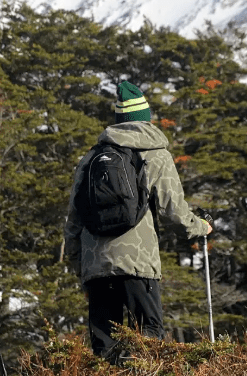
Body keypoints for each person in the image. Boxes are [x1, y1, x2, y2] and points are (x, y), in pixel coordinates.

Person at [65, 80, 211, 362]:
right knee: (148, 342)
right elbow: (174, 212)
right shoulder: (156, 154)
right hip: (138, 265)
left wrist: (80, 267)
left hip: (96, 267)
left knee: (104, 351)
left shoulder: (90, 159)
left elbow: (73, 221)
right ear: (146, 119)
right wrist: (201, 227)